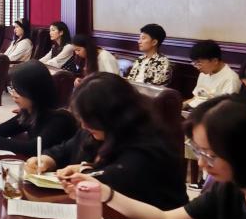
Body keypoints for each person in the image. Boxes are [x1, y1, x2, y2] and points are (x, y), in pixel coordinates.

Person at [67, 96, 246, 219]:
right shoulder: (228, 188)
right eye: (199, 151)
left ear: (242, 152)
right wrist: (106, 193)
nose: (201, 163)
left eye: (210, 155)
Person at [26, 73, 186, 210]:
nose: (84, 126)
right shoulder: (97, 130)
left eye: (90, 119)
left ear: (114, 115)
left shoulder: (149, 143)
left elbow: (113, 180)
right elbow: (65, 149)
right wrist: (46, 160)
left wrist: (83, 170)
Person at [0, 60, 77, 155]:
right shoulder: (30, 112)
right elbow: (2, 130)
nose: (13, 95)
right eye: (12, 88)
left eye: (18, 90)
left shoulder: (59, 119)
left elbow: (32, 149)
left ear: (35, 91)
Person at [186, 40, 241, 108]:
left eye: (199, 63)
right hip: (196, 110)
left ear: (215, 61)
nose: (197, 67)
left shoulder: (231, 79)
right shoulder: (204, 73)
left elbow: (226, 108)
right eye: (194, 63)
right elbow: (196, 97)